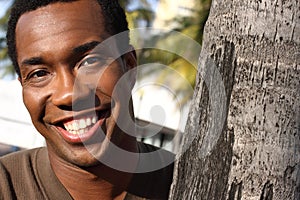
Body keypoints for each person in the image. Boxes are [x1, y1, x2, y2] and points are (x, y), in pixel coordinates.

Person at [0, 0, 174, 199]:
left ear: (129, 66)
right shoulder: (6, 187)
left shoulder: (194, 182)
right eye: (39, 74)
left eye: (90, 61)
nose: (68, 94)